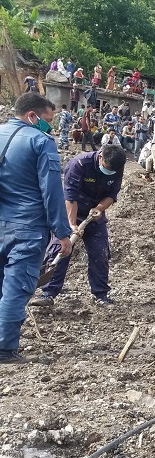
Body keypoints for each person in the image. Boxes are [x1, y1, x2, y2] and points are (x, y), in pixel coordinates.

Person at [0, 94, 73, 363]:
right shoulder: (40, 142)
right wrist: (62, 233)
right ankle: (4, 349)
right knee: (16, 289)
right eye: (47, 120)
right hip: (27, 228)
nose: (50, 127)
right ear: (32, 116)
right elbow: (52, 191)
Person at [29, 145, 126, 309]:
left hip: (93, 214)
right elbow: (70, 197)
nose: (109, 172)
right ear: (100, 157)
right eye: (107, 168)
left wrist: (99, 209)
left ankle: (100, 294)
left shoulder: (117, 166)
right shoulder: (79, 164)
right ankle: (48, 294)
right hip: (70, 209)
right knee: (61, 249)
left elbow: (111, 195)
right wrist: (71, 225)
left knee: (100, 253)